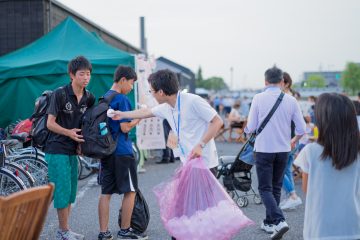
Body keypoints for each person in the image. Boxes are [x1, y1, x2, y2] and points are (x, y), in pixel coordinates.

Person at [110, 69, 223, 176]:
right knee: (188, 197)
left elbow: (217, 121)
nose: (151, 94)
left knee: (204, 197)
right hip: (187, 162)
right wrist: (122, 114)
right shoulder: (166, 107)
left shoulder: (193, 101)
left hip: (205, 163)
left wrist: (201, 145)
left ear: (161, 92)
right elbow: (145, 112)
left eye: (151, 91)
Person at [244, 66, 306, 240]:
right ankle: (270, 223)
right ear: (281, 82)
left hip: (264, 150)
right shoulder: (291, 100)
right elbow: (302, 128)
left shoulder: (258, 98)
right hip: (283, 150)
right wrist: (294, 140)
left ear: (265, 82)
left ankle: (279, 220)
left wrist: (247, 130)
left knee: (264, 188)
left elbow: (251, 126)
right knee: (276, 187)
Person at [294, 93, 360, 240]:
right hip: (353, 226)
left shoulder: (310, 151)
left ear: (322, 121)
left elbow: (306, 188)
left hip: (319, 228)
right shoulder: (357, 152)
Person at [45, 56, 95, 240]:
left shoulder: (89, 97)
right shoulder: (59, 94)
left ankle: (66, 230)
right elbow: (50, 123)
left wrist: (82, 144)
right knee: (62, 190)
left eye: (88, 74)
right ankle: (63, 231)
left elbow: (86, 124)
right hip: (56, 148)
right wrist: (68, 133)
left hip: (73, 149)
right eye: (82, 74)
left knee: (71, 191)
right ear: (72, 75)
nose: (86, 77)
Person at [97, 66, 146, 240]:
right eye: (132, 83)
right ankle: (125, 231)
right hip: (122, 150)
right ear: (123, 79)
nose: (132, 87)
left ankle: (104, 233)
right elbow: (125, 126)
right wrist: (137, 119)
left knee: (106, 192)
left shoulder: (104, 97)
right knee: (130, 191)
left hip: (106, 151)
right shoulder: (121, 99)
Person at [279, 72, 303, 210]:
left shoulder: (286, 98)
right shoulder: (292, 98)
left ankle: (293, 196)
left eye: (279, 82)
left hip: (288, 140)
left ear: (286, 83)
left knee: (279, 171)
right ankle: (291, 198)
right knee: (286, 170)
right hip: (294, 139)